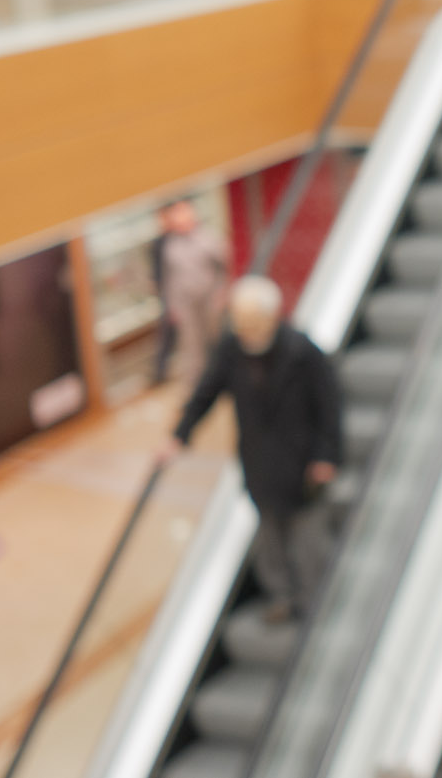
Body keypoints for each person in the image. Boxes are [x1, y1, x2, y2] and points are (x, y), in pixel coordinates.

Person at [160, 276, 343, 624]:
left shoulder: (303, 353)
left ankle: (315, 601)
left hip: (302, 465)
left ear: (274, 317)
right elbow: (206, 393)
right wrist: (179, 435)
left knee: (307, 540)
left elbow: (329, 408)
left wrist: (326, 456)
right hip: (259, 464)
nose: (249, 333)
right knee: (270, 539)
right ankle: (283, 597)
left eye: (255, 324)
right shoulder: (231, 351)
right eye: (243, 325)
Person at [151, 198, 230, 386]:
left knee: (218, 340)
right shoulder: (170, 246)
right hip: (185, 304)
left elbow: (224, 267)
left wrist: (222, 292)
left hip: (210, 299)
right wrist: (172, 307)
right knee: (192, 348)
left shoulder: (208, 237)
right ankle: (196, 387)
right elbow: (168, 280)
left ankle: (226, 380)